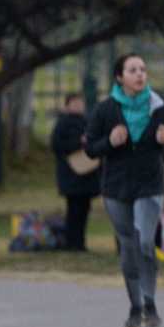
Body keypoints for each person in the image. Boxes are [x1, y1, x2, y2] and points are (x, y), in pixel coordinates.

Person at [85, 53, 164, 327]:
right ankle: (135, 306)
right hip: (116, 187)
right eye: (133, 70)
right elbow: (90, 148)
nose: (140, 74)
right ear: (120, 77)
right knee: (128, 245)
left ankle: (150, 302)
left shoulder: (158, 104)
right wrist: (109, 141)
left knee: (143, 241)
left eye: (143, 69)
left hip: (150, 184)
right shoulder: (106, 109)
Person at [51, 93, 101, 252]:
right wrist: (77, 143)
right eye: (75, 102)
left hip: (88, 175)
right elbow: (57, 145)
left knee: (85, 210)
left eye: (81, 102)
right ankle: (71, 242)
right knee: (73, 210)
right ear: (67, 105)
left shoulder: (88, 122)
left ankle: (80, 243)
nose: (79, 105)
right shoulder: (63, 123)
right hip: (71, 175)